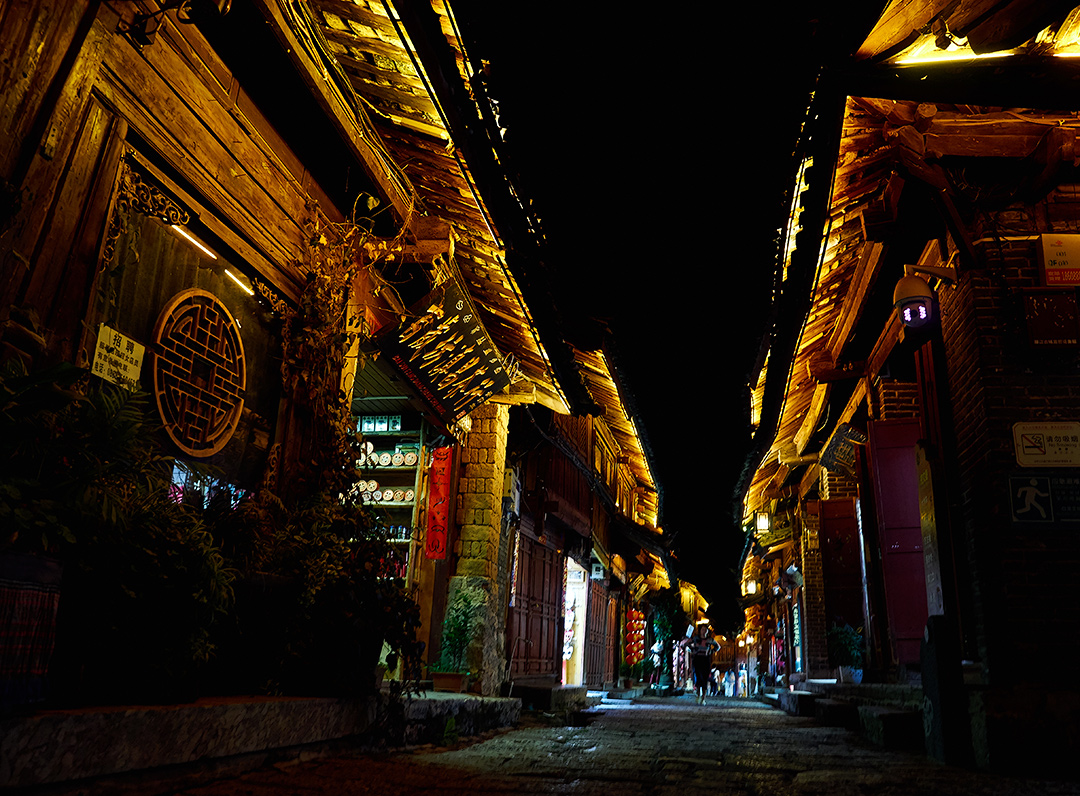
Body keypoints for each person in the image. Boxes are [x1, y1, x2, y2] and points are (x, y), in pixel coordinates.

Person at [688, 623, 719, 705]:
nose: (704, 631)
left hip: (705, 659)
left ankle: (703, 698)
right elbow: (688, 645)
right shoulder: (696, 639)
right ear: (700, 631)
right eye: (702, 629)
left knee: (704, 678)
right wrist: (693, 650)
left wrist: (711, 651)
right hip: (697, 659)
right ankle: (698, 695)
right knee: (698, 677)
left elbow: (717, 647)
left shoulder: (710, 640)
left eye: (705, 630)